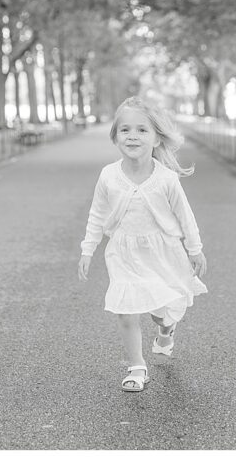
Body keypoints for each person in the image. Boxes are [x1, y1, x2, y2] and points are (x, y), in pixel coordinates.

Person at [77, 96, 207, 393]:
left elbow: (185, 216)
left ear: (156, 138)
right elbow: (97, 213)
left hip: (162, 252)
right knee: (126, 307)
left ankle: (165, 330)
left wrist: (195, 249)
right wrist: (88, 249)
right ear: (115, 136)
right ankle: (137, 366)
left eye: (141, 130)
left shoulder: (166, 179)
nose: (132, 136)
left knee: (160, 311)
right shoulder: (108, 176)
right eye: (125, 130)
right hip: (123, 252)